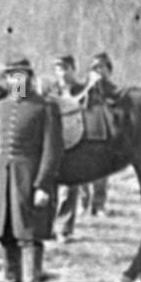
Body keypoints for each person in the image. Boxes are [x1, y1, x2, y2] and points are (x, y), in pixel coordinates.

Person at [0, 58, 62, 282]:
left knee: (30, 236)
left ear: (29, 78)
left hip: (28, 180)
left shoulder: (44, 108)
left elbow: (52, 151)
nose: (17, 81)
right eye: (12, 76)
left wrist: (42, 186)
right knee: (5, 236)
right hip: (1, 180)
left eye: (22, 76)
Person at [45, 54, 87, 241]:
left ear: (72, 69)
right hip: (53, 141)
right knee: (48, 184)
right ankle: (46, 227)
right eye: (58, 69)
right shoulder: (49, 89)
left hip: (76, 141)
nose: (61, 73)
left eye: (64, 68)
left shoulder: (84, 89)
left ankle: (64, 229)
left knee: (71, 188)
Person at [81, 52, 119, 215]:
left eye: (101, 67)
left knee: (101, 174)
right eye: (94, 68)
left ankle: (99, 205)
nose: (98, 71)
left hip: (105, 135)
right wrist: (88, 88)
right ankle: (83, 204)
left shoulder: (114, 90)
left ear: (108, 70)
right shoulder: (84, 87)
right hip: (84, 133)